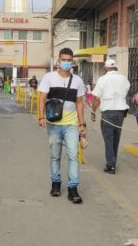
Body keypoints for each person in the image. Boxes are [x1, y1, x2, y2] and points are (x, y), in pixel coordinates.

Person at [37, 48, 87, 204]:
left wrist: (81, 123)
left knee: (73, 156)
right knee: (55, 156)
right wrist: (41, 116)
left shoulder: (78, 81)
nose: (66, 62)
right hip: (53, 123)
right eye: (63, 59)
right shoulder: (49, 78)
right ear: (58, 61)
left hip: (71, 124)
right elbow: (42, 98)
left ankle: (73, 189)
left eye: (69, 60)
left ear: (72, 62)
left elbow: (79, 103)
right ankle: (56, 184)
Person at [91, 59, 130, 174]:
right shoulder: (124, 78)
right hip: (120, 112)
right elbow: (126, 90)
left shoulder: (103, 79)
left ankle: (110, 165)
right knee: (116, 138)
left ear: (105, 67)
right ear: (115, 67)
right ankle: (113, 161)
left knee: (108, 139)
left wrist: (93, 111)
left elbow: (97, 98)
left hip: (108, 112)